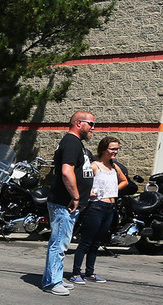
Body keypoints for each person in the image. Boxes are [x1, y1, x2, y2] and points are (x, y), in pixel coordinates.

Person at [42, 110, 95, 295]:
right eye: (91, 124)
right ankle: (51, 283)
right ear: (79, 123)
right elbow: (66, 171)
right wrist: (75, 196)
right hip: (64, 202)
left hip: (68, 203)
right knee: (59, 243)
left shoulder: (74, 143)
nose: (93, 129)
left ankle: (54, 278)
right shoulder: (71, 142)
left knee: (61, 242)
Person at [70, 136, 127, 285]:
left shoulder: (114, 167)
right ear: (103, 150)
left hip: (109, 208)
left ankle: (90, 272)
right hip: (96, 207)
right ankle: (76, 273)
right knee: (86, 242)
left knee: (96, 243)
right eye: (113, 149)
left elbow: (125, 181)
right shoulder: (94, 166)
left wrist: (113, 191)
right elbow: (80, 182)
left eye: (117, 149)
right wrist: (88, 193)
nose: (116, 152)